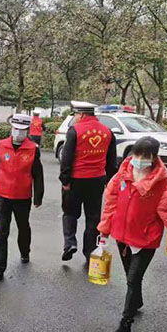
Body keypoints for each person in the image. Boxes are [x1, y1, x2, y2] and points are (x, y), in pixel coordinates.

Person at [98, 137, 167, 332]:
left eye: (145, 156)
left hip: (146, 239)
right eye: (137, 154)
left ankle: (125, 324)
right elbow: (111, 203)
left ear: (153, 157)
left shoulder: (162, 185)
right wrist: (104, 229)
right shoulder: (122, 175)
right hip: (123, 237)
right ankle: (137, 301)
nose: (140, 159)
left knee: (133, 279)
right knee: (131, 277)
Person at [0, 114, 44, 283]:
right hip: (2, 196)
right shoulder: (1, 146)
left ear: (27, 131)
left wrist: (38, 197)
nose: (18, 132)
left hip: (22, 196)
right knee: (1, 231)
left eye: (22, 130)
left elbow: (38, 175)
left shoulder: (32, 149)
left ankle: (25, 251)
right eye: (16, 129)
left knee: (23, 227)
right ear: (11, 128)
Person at [59, 101, 117, 263]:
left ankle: (70, 243)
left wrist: (65, 180)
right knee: (93, 216)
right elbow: (111, 160)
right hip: (97, 180)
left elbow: (66, 158)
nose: (75, 118)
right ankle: (90, 251)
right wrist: (109, 181)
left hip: (76, 180)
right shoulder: (107, 132)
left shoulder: (75, 131)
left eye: (76, 114)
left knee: (70, 212)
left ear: (82, 114)